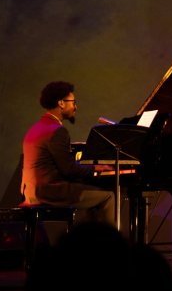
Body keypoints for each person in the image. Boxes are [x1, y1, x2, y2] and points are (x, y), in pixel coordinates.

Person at [21, 81, 115, 224]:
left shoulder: (36, 128)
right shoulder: (57, 131)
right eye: (73, 102)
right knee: (108, 196)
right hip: (49, 192)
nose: (75, 107)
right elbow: (68, 169)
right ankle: (107, 244)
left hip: (31, 192)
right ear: (61, 103)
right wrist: (95, 168)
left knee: (91, 193)